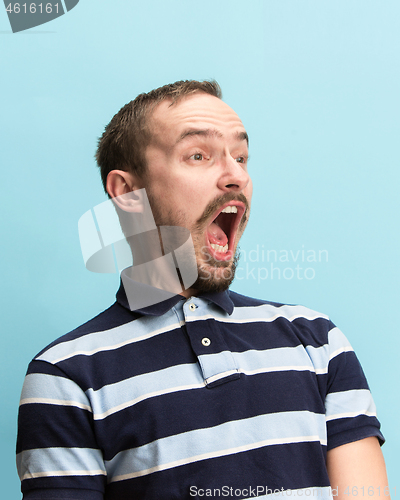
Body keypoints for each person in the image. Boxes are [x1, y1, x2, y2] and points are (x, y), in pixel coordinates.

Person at [16, 80, 389, 500]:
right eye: (198, 155)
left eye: (242, 156)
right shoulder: (65, 377)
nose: (236, 176)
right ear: (127, 193)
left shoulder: (317, 341)